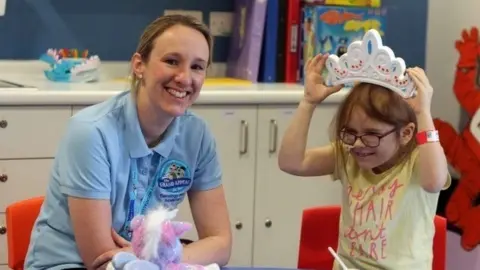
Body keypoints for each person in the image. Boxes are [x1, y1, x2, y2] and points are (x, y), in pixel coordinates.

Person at [24, 14, 232, 270]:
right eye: (171, 61)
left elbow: (220, 243)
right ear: (139, 65)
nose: (184, 77)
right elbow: (99, 258)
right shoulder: (91, 133)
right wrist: (168, 257)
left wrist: (170, 258)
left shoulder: (197, 136)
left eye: (197, 67)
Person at [278, 54, 451, 269]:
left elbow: (434, 181)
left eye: (372, 135)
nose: (358, 144)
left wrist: (423, 113)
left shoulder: (418, 162)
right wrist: (308, 103)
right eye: (350, 132)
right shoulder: (348, 155)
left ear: (406, 133)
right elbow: (291, 162)